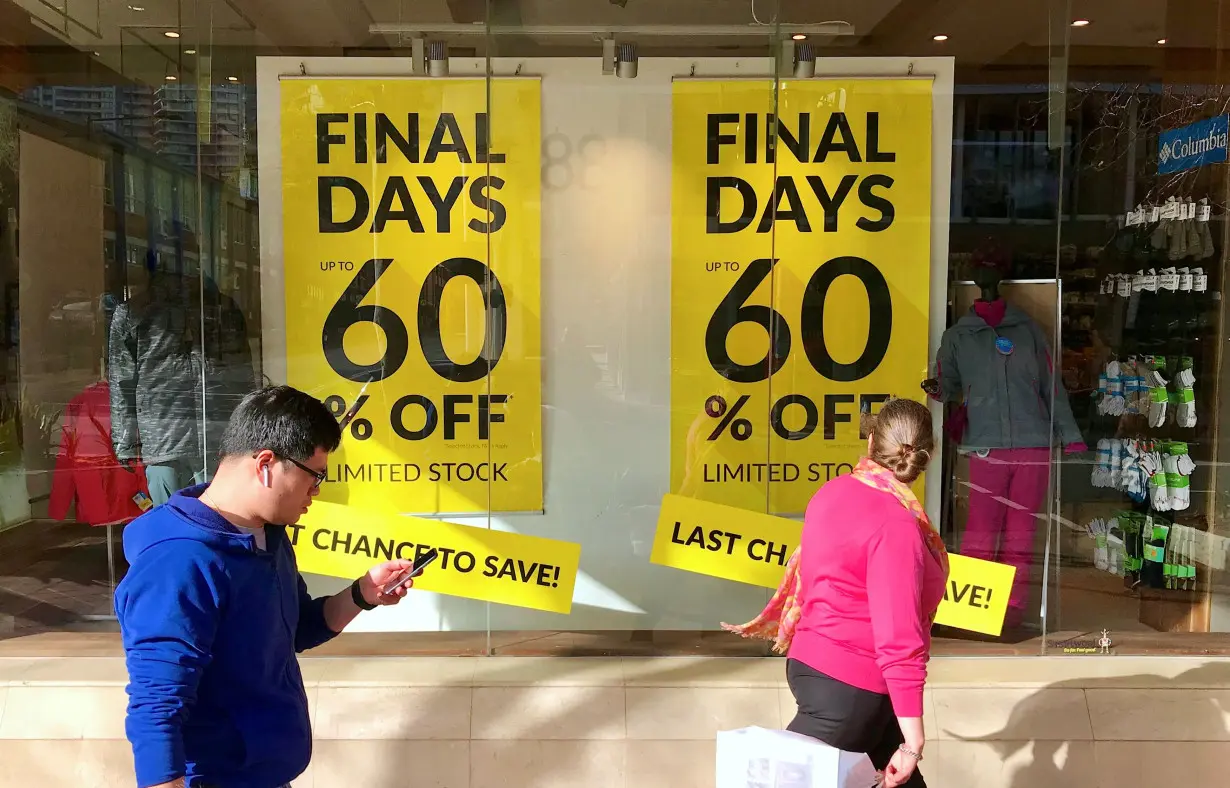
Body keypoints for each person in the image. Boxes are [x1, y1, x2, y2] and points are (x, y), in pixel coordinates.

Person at [115, 385, 418, 788]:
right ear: (266, 464)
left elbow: (294, 630)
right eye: (315, 477)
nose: (317, 491)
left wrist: (363, 593)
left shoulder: (269, 533)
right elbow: (156, 707)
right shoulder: (178, 562)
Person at [724, 398, 949, 788]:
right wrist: (913, 741)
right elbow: (900, 639)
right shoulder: (897, 525)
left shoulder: (831, 493)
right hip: (850, 688)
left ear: (871, 440)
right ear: (927, 455)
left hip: (818, 667)